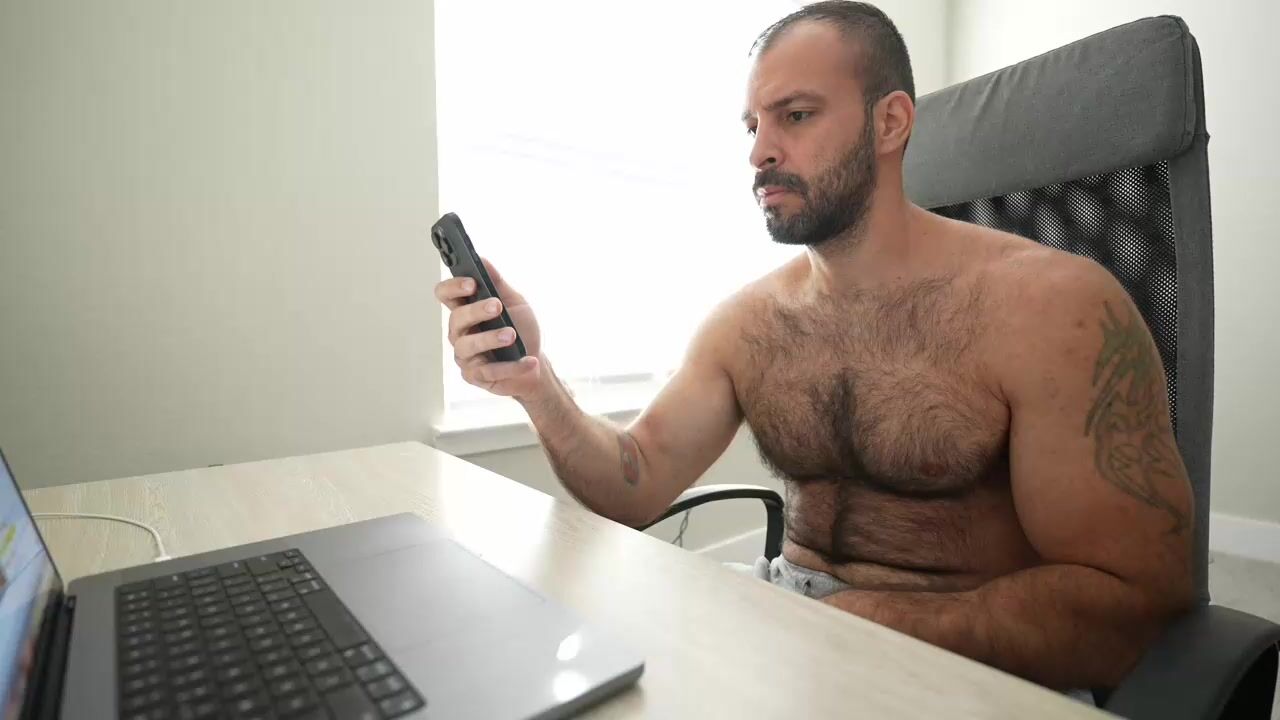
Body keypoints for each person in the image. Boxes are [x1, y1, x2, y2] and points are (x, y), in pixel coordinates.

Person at [434, 0, 1192, 694]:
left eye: (795, 116)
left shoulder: (1053, 309)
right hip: (781, 641)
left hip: (958, 671)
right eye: (752, 127)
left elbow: (1133, 602)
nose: (760, 152)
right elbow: (634, 482)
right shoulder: (748, 323)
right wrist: (534, 384)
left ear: (889, 123)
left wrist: (858, 623)